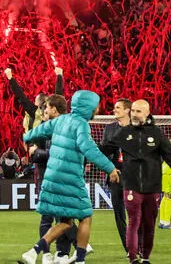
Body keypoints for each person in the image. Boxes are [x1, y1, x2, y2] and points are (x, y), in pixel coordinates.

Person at [19, 90, 119, 264]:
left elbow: (40, 129)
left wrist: (27, 136)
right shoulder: (81, 125)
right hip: (70, 178)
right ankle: (80, 259)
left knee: (65, 221)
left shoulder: (61, 120)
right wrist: (110, 168)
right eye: (96, 106)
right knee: (86, 216)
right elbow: (89, 149)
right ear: (89, 107)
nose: (98, 110)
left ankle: (34, 252)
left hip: (52, 176)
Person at [100, 100, 171, 264]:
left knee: (148, 224)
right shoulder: (123, 133)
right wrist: (81, 155)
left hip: (152, 186)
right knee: (134, 220)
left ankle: (145, 256)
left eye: (138, 111)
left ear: (147, 114)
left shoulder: (157, 134)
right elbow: (103, 150)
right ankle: (133, 257)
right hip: (130, 185)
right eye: (133, 111)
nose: (134, 114)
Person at [29, 94, 79, 264]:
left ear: (53, 110)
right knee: (51, 217)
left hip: (60, 178)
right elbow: (34, 154)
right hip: (47, 177)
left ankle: (64, 251)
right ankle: (52, 253)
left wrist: (39, 153)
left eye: (46, 109)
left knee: (60, 217)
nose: (44, 113)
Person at [101, 98, 132, 255]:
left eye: (118, 107)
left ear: (127, 110)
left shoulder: (137, 128)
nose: (115, 110)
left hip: (133, 177)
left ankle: (137, 244)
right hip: (115, 175)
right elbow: (104, 152)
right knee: (119, 214)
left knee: (135, 213)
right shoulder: (110, 128)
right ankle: (128, 247)